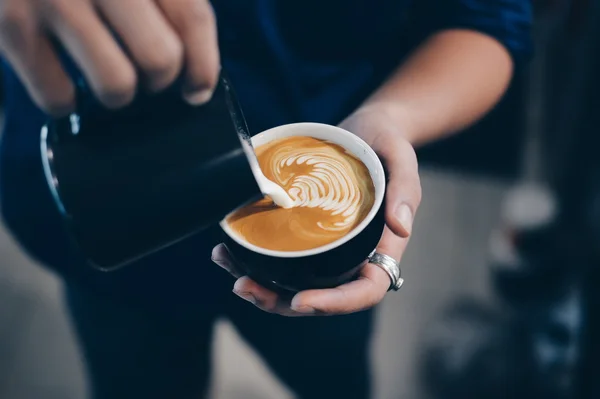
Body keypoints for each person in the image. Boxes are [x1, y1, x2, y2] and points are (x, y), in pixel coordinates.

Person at [0, 0, 531, 398]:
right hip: (108, 211)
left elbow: (489, 20)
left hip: (322, 260)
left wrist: (393, 116)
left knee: (334, 382)